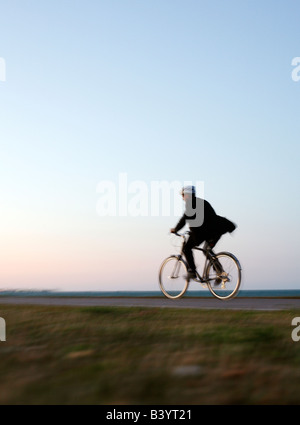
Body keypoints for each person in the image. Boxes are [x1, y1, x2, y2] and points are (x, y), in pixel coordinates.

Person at [170, 186, 236, 280]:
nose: (182, 198)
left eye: (183, 195)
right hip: (217, 230)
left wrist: (175, 229)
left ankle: (192, 271)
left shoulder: (191, 204)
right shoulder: (202, 202)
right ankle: (220, 272)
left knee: (186, 248)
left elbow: (184, 219)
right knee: (207, 250)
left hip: (205, 232)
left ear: (187, 195)